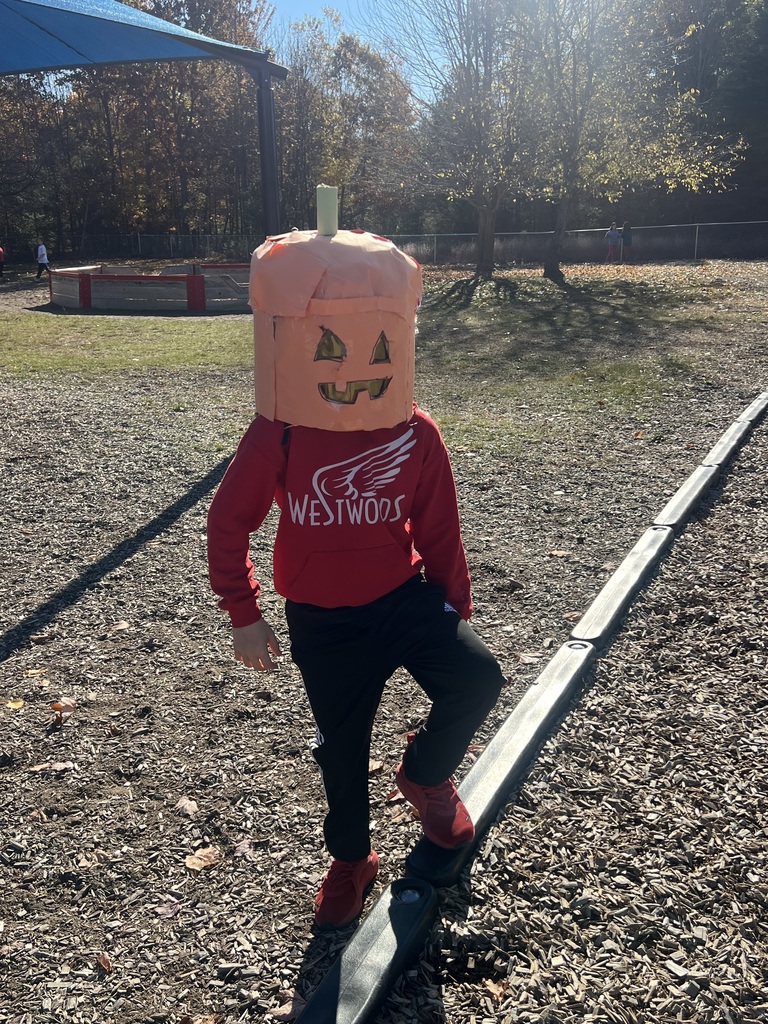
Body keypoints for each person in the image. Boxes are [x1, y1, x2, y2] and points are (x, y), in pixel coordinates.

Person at [207, 228, 505, 930]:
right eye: (334, 346)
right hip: (323, 618)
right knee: (341, 750)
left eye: (377, 346)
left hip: (403, 599)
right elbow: (228, 522)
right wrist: (243, 610)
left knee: (478, 680)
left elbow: (439, 534)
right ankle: (351, 858)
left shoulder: (415, 432)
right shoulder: (278, 431)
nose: (357, 365)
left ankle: (425, 775)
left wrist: (455, 611)